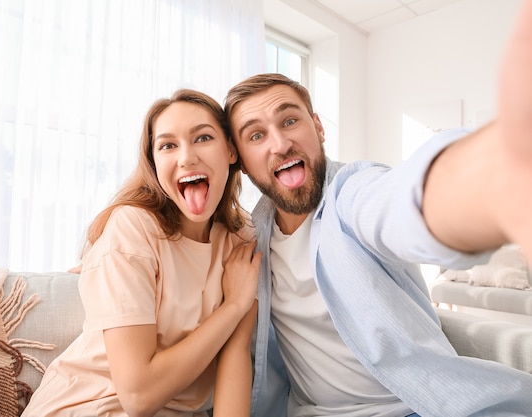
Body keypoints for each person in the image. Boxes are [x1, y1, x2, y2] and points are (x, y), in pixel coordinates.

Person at [223, 2, 532, 416]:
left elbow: (399, 202)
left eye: (290, 121)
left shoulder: (352, 194)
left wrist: (499, 173)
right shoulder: (248, 242)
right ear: (241, 160)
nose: (279, 144)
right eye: (256, 135)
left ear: (318, 127)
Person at [23, 89, 260, 417]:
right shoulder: (133, 226)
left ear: (231, 150)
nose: (186, 157)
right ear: (153, 162)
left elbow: (237, 355)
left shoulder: (243, 238)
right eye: (167, 145)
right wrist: (233, 306)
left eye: (203, 138)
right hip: (89, 407)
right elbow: (138, 396)